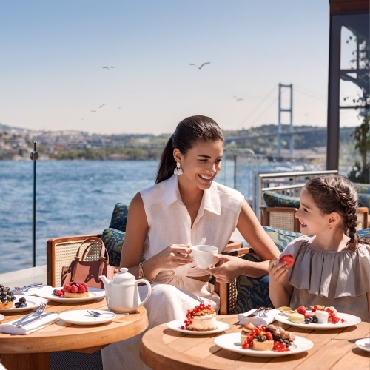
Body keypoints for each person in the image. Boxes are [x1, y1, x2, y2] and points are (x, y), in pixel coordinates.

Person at [102, 115, 280, 369]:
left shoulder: (232, 203)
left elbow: (281, 263)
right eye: (204, 160)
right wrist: (156, 263)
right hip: (147, 301)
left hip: (199, 307)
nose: (212, 170)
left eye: (218, 161)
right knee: (162, 296)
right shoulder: (146, 202)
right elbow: (125, 276)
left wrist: (240, 267)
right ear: (178, 156)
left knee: (166, 298)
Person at [269, 174, 370, 322]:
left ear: (332, 219)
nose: (297, 214)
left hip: (347, 342)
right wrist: (275, 281)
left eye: (305, 210)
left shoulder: (363, 258)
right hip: (303, 338)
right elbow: (283, 307)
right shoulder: (296, 251)